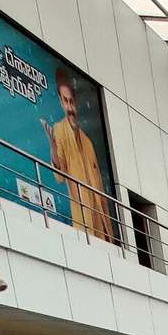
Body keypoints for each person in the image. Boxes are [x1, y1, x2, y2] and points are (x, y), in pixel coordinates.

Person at [42, 69, 112, 239]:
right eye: (66, 102)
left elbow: (100, 188)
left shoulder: (87, 141)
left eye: (72, 102)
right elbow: (60, 175)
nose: (70, 108)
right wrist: (53, 147)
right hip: (83, 220)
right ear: (60, 102)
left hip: (101, 223)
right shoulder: (59, 130)